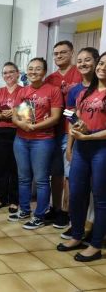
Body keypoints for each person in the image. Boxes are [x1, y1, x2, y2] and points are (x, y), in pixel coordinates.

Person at [57, 52, 106, 262]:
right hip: (81, 149)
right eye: (102, 63)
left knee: (101, 199)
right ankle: (77, 235)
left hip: (101, 149)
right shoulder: (85, 93)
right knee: (76, 194)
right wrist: (72, 142)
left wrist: (89, 136)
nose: (102, 67)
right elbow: (74, 118)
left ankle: (95, 245)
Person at [9, 57, 62, 230]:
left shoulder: (53, 90)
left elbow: (55, 118)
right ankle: (24, 210)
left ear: (44, 71)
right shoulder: (23, 91)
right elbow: (16, 115)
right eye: (30, 69)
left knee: (40, 180)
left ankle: (39, 215)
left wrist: (34, 127)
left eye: (38, 69)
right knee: (23, 178)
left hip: (43, 141)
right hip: (21, 139)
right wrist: (21, 124)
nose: (33, 72)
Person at [61, 47, 99, 240]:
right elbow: (69, 116)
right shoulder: (75, 90)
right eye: (80, 60)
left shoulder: (101, 86)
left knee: (97, 193)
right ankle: (76, 227)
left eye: (88, 60)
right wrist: (69, 146)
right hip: (79, 144)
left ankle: (92, 228)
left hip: (100, 146)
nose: (83, 64)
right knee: (77, 190)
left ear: (96, 62)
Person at [45, 40, 82, 229]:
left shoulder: (79, 74)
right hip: (52, 132)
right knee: (55, 173)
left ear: (71, 53)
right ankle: (55, 207)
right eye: (56, 53)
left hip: (71, 133)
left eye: (63, 53)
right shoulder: (50, 78)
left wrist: (66, 114)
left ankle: (66, 212)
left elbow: (75, 108)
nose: (59, 56)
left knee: (69, 174)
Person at [0, 62, 21, 213]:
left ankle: (14, 200)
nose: (8, 75)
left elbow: (29, 112)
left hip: (18, 132)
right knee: (1, 166)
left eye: (11, 72)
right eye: (5, 73)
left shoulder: (24, 91)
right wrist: (1, 115)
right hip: (1, 132)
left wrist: (14, 113)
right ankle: (1, 198)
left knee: (15, 167)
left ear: (17, 73)